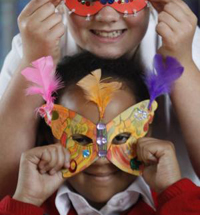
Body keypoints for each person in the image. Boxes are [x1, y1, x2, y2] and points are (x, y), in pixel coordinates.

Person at [0, 0, 200, 198]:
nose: (107, 15)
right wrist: (35, 59)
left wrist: (181, 61)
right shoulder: (34, 44)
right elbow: (4, 185)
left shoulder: (181, 42)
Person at [0, 52, 199, 215]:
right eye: (80, 138)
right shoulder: (28, 206)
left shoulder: (178, 206)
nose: (101, 159)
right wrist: (27, 200)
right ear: (48, 135)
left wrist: (172, 191)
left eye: (120, 137)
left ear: (147, 133)